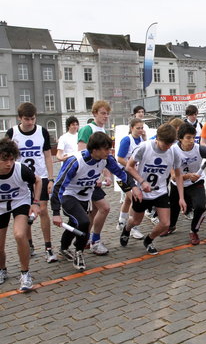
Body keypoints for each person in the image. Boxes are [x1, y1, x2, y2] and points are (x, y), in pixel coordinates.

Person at [51, 132, 140, 270]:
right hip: (69, 195)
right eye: (106, 149)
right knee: (84, 222)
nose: (109, 152)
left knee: (74, 223)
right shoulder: (75, 161)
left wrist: (134, 186)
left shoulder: (107, 159)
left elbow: (122, 173)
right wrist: (55, 212)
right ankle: (79, 252)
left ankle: (63, 248)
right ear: (95, 149)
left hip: (85, 196)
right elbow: (58, 186)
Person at [120, 124, 186, 254]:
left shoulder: (173, 151)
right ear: (158, 138)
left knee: (166, 223)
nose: (167, 147)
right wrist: (141, 182)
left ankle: (149, 240)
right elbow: (129, 167)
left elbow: (178, 175)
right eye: (164, 144)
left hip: (160, 191)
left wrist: (181, 198)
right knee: (136, 220)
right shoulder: (144, 147)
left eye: (170, 144)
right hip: (142, 192)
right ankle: (127, 229)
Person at [5, 102, 57, 263]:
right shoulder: (12, 133)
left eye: (33, 118)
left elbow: (48, 156)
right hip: (20, 180)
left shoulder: (42, 131)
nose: (30, 122)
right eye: (27, 119)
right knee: (25, 214)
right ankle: (29, 245)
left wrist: (50, 178)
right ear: (20, 118)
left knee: (43, 211)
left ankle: (48, 248)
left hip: (39, 178)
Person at [168, 123, 206, 243]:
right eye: (188, 138)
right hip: (178, 184)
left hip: (196, 183)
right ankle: (171, 226)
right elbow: (172, 177)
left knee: (201, 207)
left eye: (193, 137)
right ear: (180, 138)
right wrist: (187, 176)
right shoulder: (172, 151)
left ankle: (194, 231)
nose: (192, 141)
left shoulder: (199, 148)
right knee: (174, 208)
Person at [0, 138, 41, 291]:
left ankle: (25, 273)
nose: (9, 163)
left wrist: (35, 203)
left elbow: (38, 181)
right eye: (4, 160)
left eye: (11, 159)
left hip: (19, 202)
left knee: (19, 234)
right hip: (1, 206)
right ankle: (2, 270)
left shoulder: (20, 169)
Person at [77, 100, 112, 255]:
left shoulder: (104, 130)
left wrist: (107, 174)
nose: (106, 116)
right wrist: (94, 176)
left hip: (95, 178)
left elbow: (105, 158)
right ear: (94, 113)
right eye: (103, 113)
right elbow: (82, 154)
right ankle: (94, 241)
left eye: (107, 113)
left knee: (94, 211)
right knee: (104, 208)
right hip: (85, 179)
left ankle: (84, 239)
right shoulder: (87, 129)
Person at [116, 118, 145, 239]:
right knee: (134, 199)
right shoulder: (126, 140)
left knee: (128, 199)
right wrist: (131, 166)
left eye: (141, 128)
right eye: (138, 128)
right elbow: (119, 158)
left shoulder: (142, 139)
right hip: (123, 173)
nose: (140, 130)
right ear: (131, 128)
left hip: (134, 173)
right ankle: (133, 228)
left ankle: (121, 221)